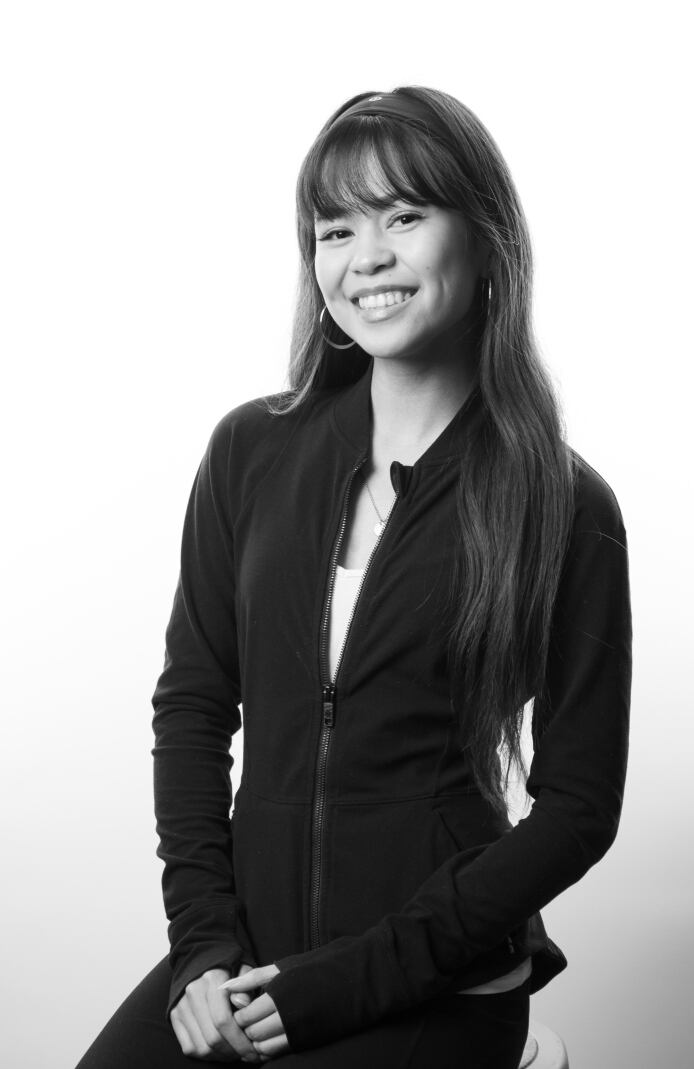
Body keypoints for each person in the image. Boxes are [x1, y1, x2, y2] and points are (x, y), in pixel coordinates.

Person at [76, 86, 631, 1068]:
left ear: (487, 239)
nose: (365, 255)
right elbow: (194, 704)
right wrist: (203, 948)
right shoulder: (252, 450)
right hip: (243, 962)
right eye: (335, 228)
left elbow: (578, 809)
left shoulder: (565, 506)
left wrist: (344, 983)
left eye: (404, 216)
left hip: (435, 976)